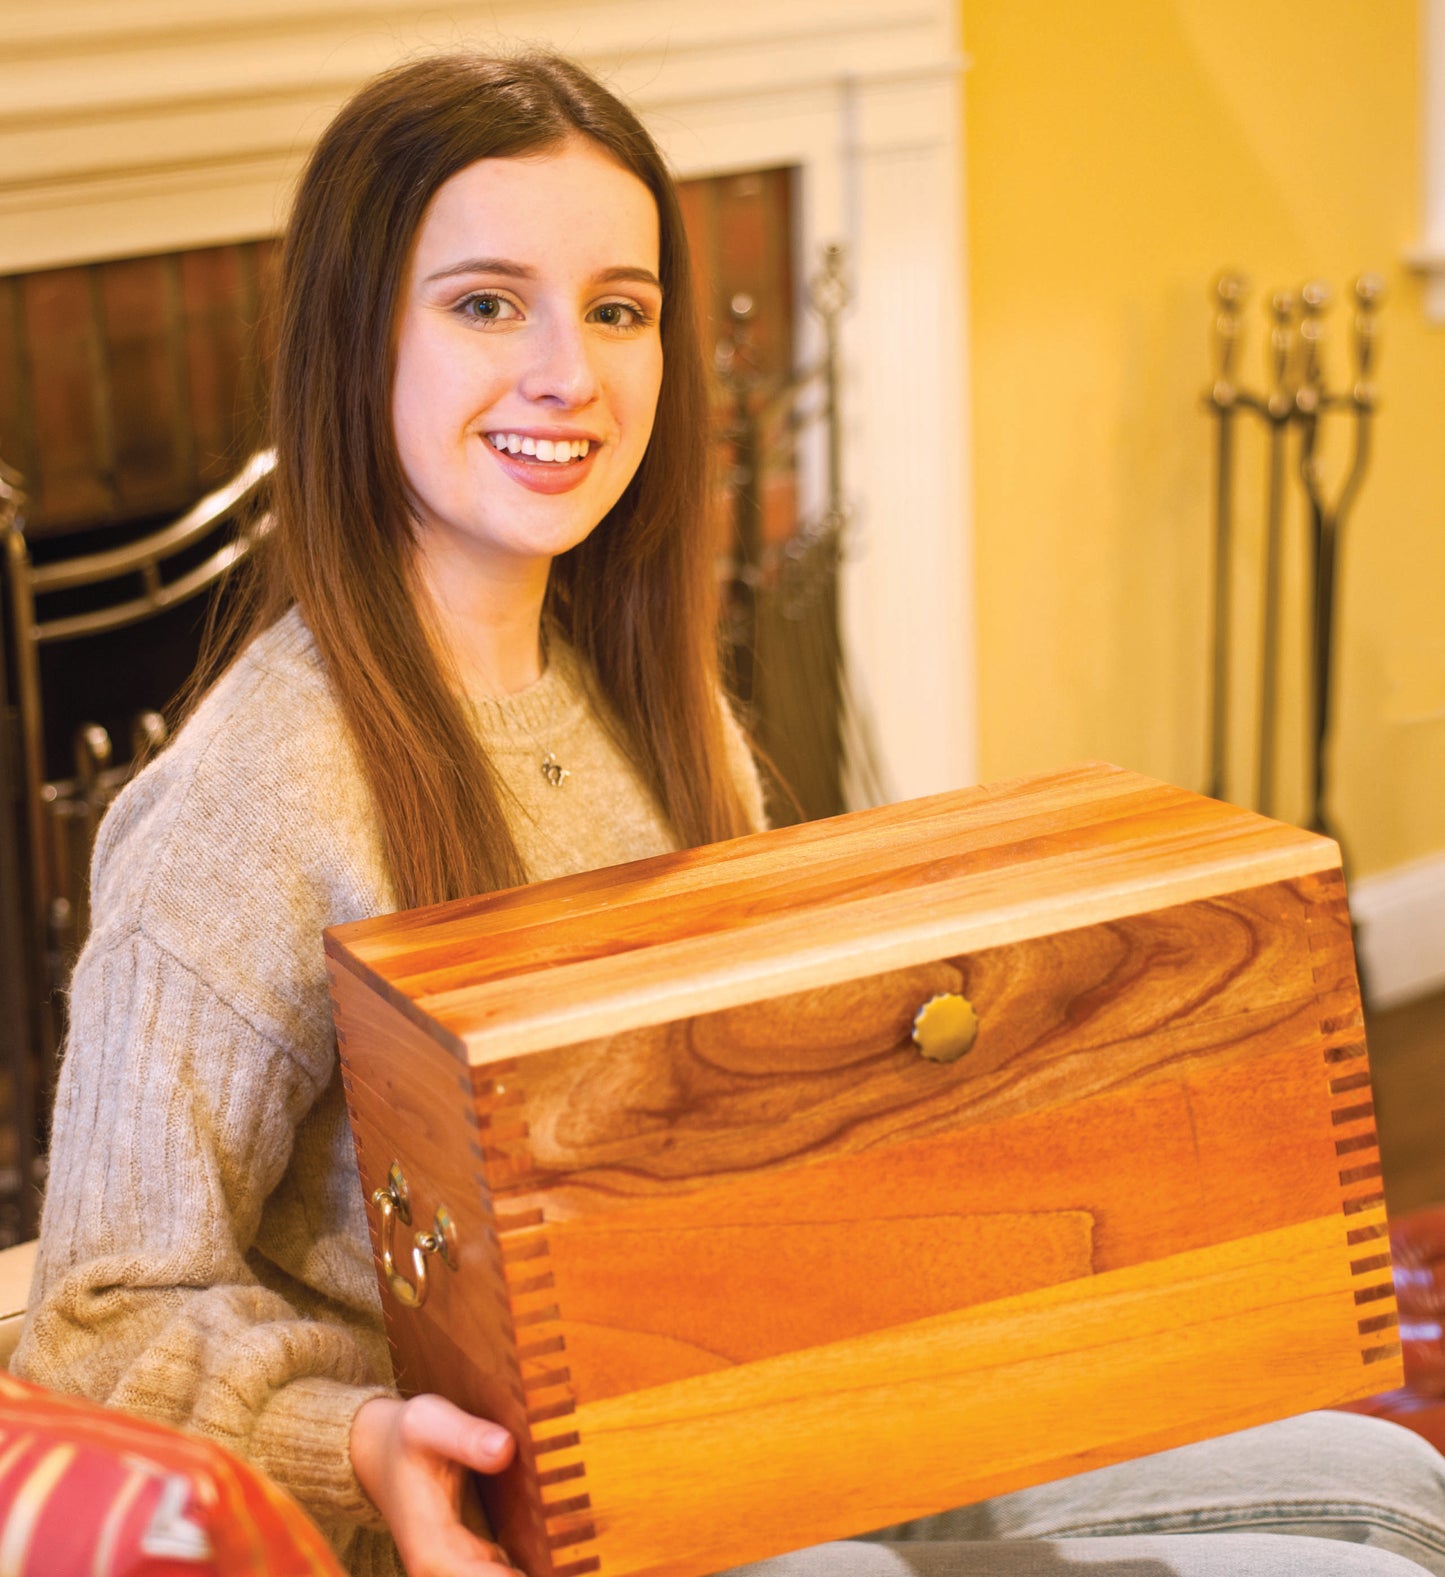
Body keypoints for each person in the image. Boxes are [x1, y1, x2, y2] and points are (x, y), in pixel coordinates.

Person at [12, 47, 1445, 1577]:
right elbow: (97, 1313)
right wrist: (361, 1439)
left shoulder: (650, 691)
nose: (570, 371)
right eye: (487, 303)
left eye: (618, 308)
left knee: (1379, 1477)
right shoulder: (247, 797)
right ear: (355, 343)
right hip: (519, 1527)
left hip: (748, 1417)